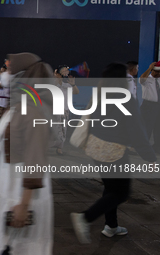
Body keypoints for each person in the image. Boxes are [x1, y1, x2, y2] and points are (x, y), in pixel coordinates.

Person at [0, 53, 54, 255]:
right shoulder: (14, 108)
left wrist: (24, 204)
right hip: (7, 189)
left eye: (9, 69)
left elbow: (36, 160)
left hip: (23, 194)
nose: (5, 72)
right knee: (2, 245)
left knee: (19, 248)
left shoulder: (33, 111)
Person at [71, 63, 157, 244]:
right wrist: (150, 158)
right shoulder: (126, 99)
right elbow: (137, 132)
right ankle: (85, 217)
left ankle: (111, 226)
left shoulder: (100, 95)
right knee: (121, 193)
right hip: (113, 151)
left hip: (95, 148)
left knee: (111, 189)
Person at [53, 65, 79, 155]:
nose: (66, 72)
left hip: (65, 110)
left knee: (63, 129)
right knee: (54, 129)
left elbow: (76, 92)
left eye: (67, 70)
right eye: (64, 70)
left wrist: (73, 84)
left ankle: (59, 148)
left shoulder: (67, 85)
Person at [139, 61, 160, 152]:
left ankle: (157, 147)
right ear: (152, 71)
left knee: (158, 128)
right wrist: (149, 68)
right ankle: (143, 147)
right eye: (157, 72)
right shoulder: (147, 79)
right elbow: (142, 79)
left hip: (158, 106)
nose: (159, 73)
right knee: (147, 128)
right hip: (148, 106)